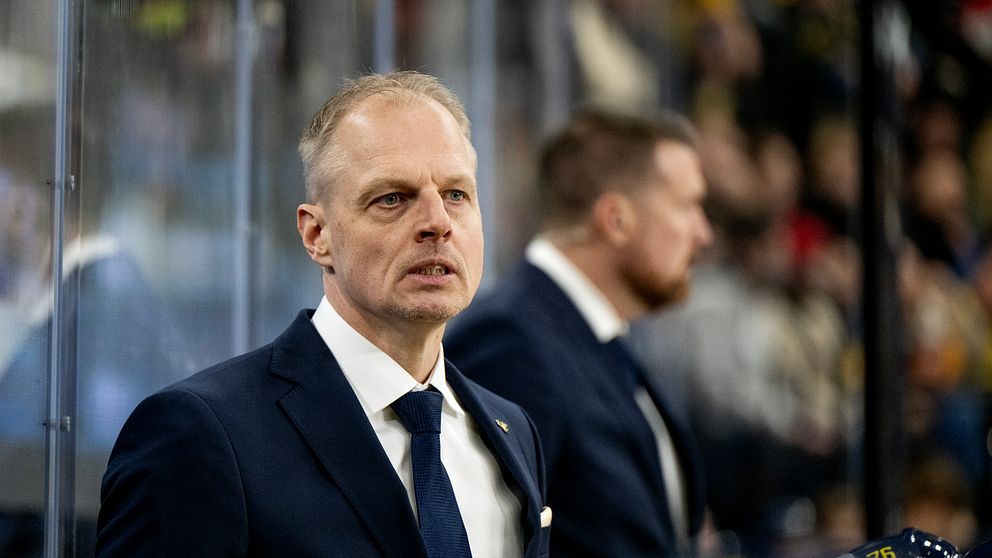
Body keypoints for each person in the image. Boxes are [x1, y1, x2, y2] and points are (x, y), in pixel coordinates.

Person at [96, 71, 551, 558]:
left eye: (456, 194)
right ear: (317, 235)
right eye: (392, 199)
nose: (438, 223)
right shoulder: (199, 435)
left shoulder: (512, 431)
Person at [446, 108, 713, 557]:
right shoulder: (510, 341)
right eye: (686, 206)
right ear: (616, 219)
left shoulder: (599, 336)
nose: (703, 234)